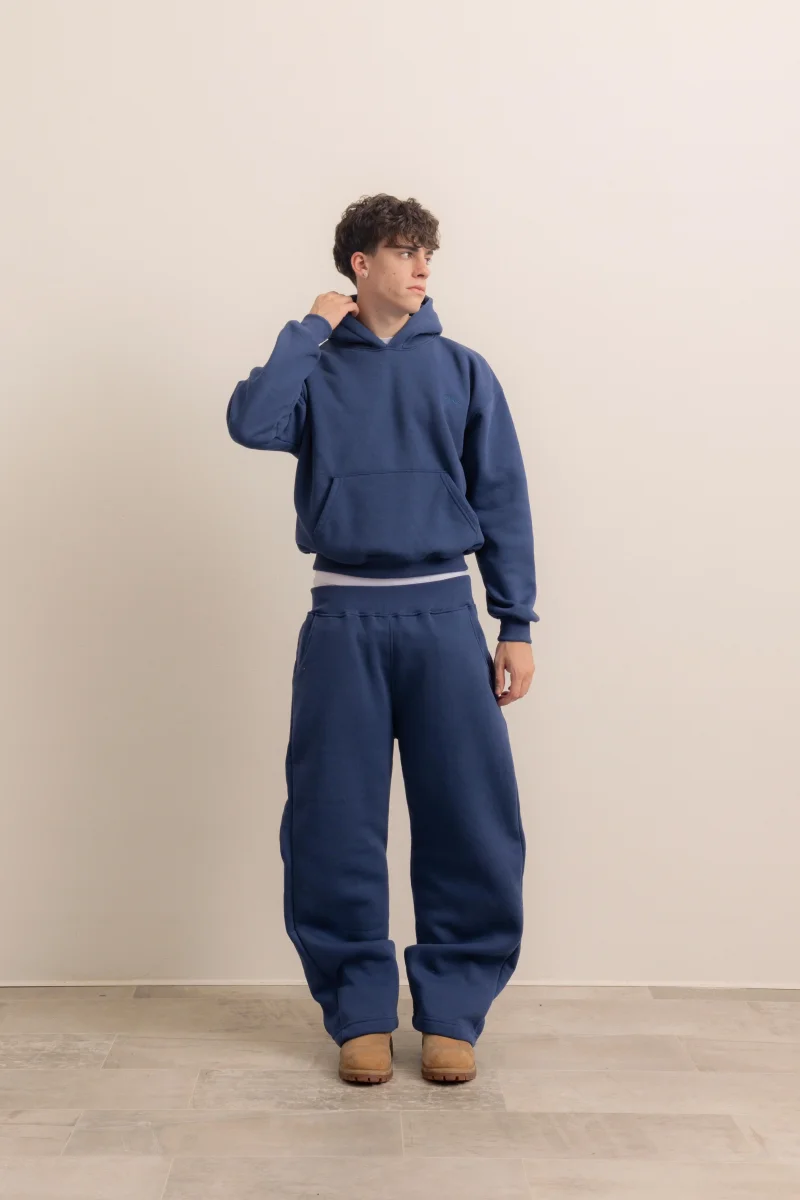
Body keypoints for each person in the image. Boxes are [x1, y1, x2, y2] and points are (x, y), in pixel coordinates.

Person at [226, 193, 539, 1086]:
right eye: (404, 252)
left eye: (426, 252)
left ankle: (453, 1013)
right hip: (343, 621)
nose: (422, 267)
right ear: (360, 265)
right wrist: (307, 330)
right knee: (332, 822)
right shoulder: (315, 369)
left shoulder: (464, 370)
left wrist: (514, 621)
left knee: (470, 819)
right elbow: (250, 423)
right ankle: (358, 1012)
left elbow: (502, 496)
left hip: (444, 619)